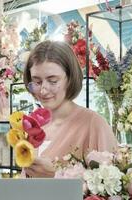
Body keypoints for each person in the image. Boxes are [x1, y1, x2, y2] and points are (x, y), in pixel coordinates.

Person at [22, 40, 118, 178]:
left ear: (70, 78)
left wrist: (56, 174)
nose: (43, 90)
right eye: (37, 82)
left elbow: (112, 187)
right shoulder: (33, 125)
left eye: (53, 81)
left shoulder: (94, 124)